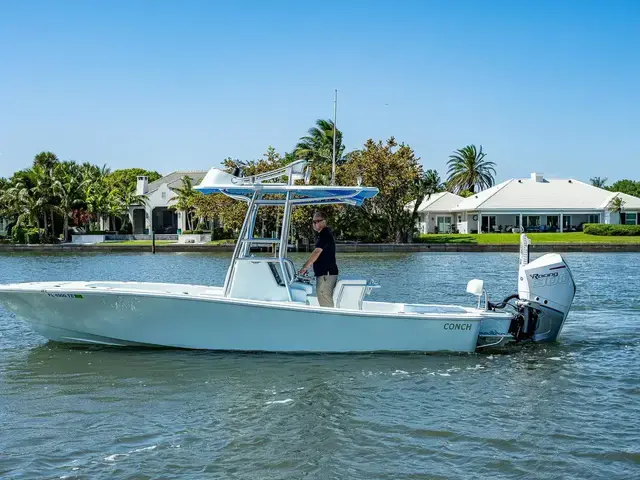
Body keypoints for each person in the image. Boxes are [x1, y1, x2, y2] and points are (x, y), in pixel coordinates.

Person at [299, 210, 338, 307]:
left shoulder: (324, 235)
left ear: (324, 222)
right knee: (324, 297)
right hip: (325, 273)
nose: (314, 224)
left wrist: (304, 268)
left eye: (317, 221)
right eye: (313, 222)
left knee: (324, 298)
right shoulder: (323, 235)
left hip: (326, 274)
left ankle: (329, 320)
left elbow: (317, 252)